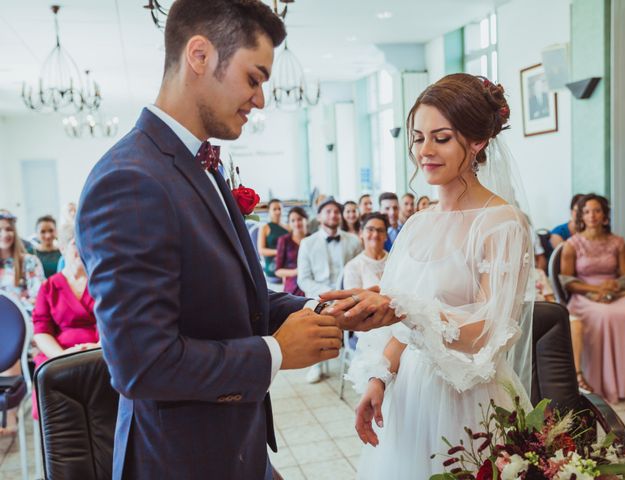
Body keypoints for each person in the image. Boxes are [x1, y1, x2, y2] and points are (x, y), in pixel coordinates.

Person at [74, 2, 391, 478]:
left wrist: (323, 312)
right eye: (254, 77)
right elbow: (140, 364)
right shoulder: (129, 180)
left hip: (237, 448)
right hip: (181, 459)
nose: (260, 99)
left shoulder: (202, 163)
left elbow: (230, 294)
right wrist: (277, 352)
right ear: (199, 56)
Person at [322, 74, 534, 479]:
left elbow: (488, 332)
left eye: (441, 137)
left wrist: (402, 307)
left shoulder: (501, 223)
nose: (424, 151)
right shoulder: (417, 224)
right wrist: (380, 377)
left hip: (465, 399)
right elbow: (400, 328)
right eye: (418, 137)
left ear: (477, 142)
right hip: (409, 397)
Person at [560, 193, 625, 403]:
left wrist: (611, 289)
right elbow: (567, 281)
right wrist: (593, 291)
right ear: (581, 216)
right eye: (587, 211)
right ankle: (602, 385)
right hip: (583, 296)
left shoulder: (617, 242)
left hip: (614, 291)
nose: (592, 215)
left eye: (597, 210)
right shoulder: (572, 244)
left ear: (604, 215)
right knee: (604, 315)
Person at [31, 223, 100, 418]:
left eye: (84, 243)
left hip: (100, 351)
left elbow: (113, 322)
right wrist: (62, 356)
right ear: (62, 248)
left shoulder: (102, 282)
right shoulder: (48, 287)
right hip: (59, 355)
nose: (80, 248)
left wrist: (99, 348)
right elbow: (42, 331)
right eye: (74, 243)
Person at [297, 198, 362, 382]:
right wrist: (328, 293)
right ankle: (315, 363)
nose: (333, 214)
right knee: (316, 313)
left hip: (348, 294)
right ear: (319, 216)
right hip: (320, 295)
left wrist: (345, 294)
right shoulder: (307, 243)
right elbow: (304, 279)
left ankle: (358, 358)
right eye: (328, 211)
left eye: (336, 211)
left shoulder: (354, 241)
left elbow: (358, 270)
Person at [0, 210, 45, 435]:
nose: (5, 234)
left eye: (9, 229)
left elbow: (39, 299)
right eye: (0, 229)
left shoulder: (29, 262)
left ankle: (9, 417)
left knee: (7, 337)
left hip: (21, 326)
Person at [343, 212, 389, 291]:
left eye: (380, 230)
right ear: (361, 233)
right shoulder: (353, 266)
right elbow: (352, 299)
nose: (375, 234)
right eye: (370, 229)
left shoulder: (395, 261)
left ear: (386, 236)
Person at [275, 206, 308, 296]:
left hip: (312, 280)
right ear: (289, 223)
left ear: (306, 220)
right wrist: (297, 271)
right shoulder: (284, 240)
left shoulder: (313, 238)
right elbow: (278, 271)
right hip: (293, 281)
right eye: (293, 221)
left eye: (299, 219)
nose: (297, 223)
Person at [258, 199, 288, 279]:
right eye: (274, 209)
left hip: (289, 261)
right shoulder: (265, 228)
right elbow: (261, 251)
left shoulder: (289, 227)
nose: (278, 212)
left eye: (280, 209)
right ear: (269, 211)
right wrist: (279, 252)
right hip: (273, 263)